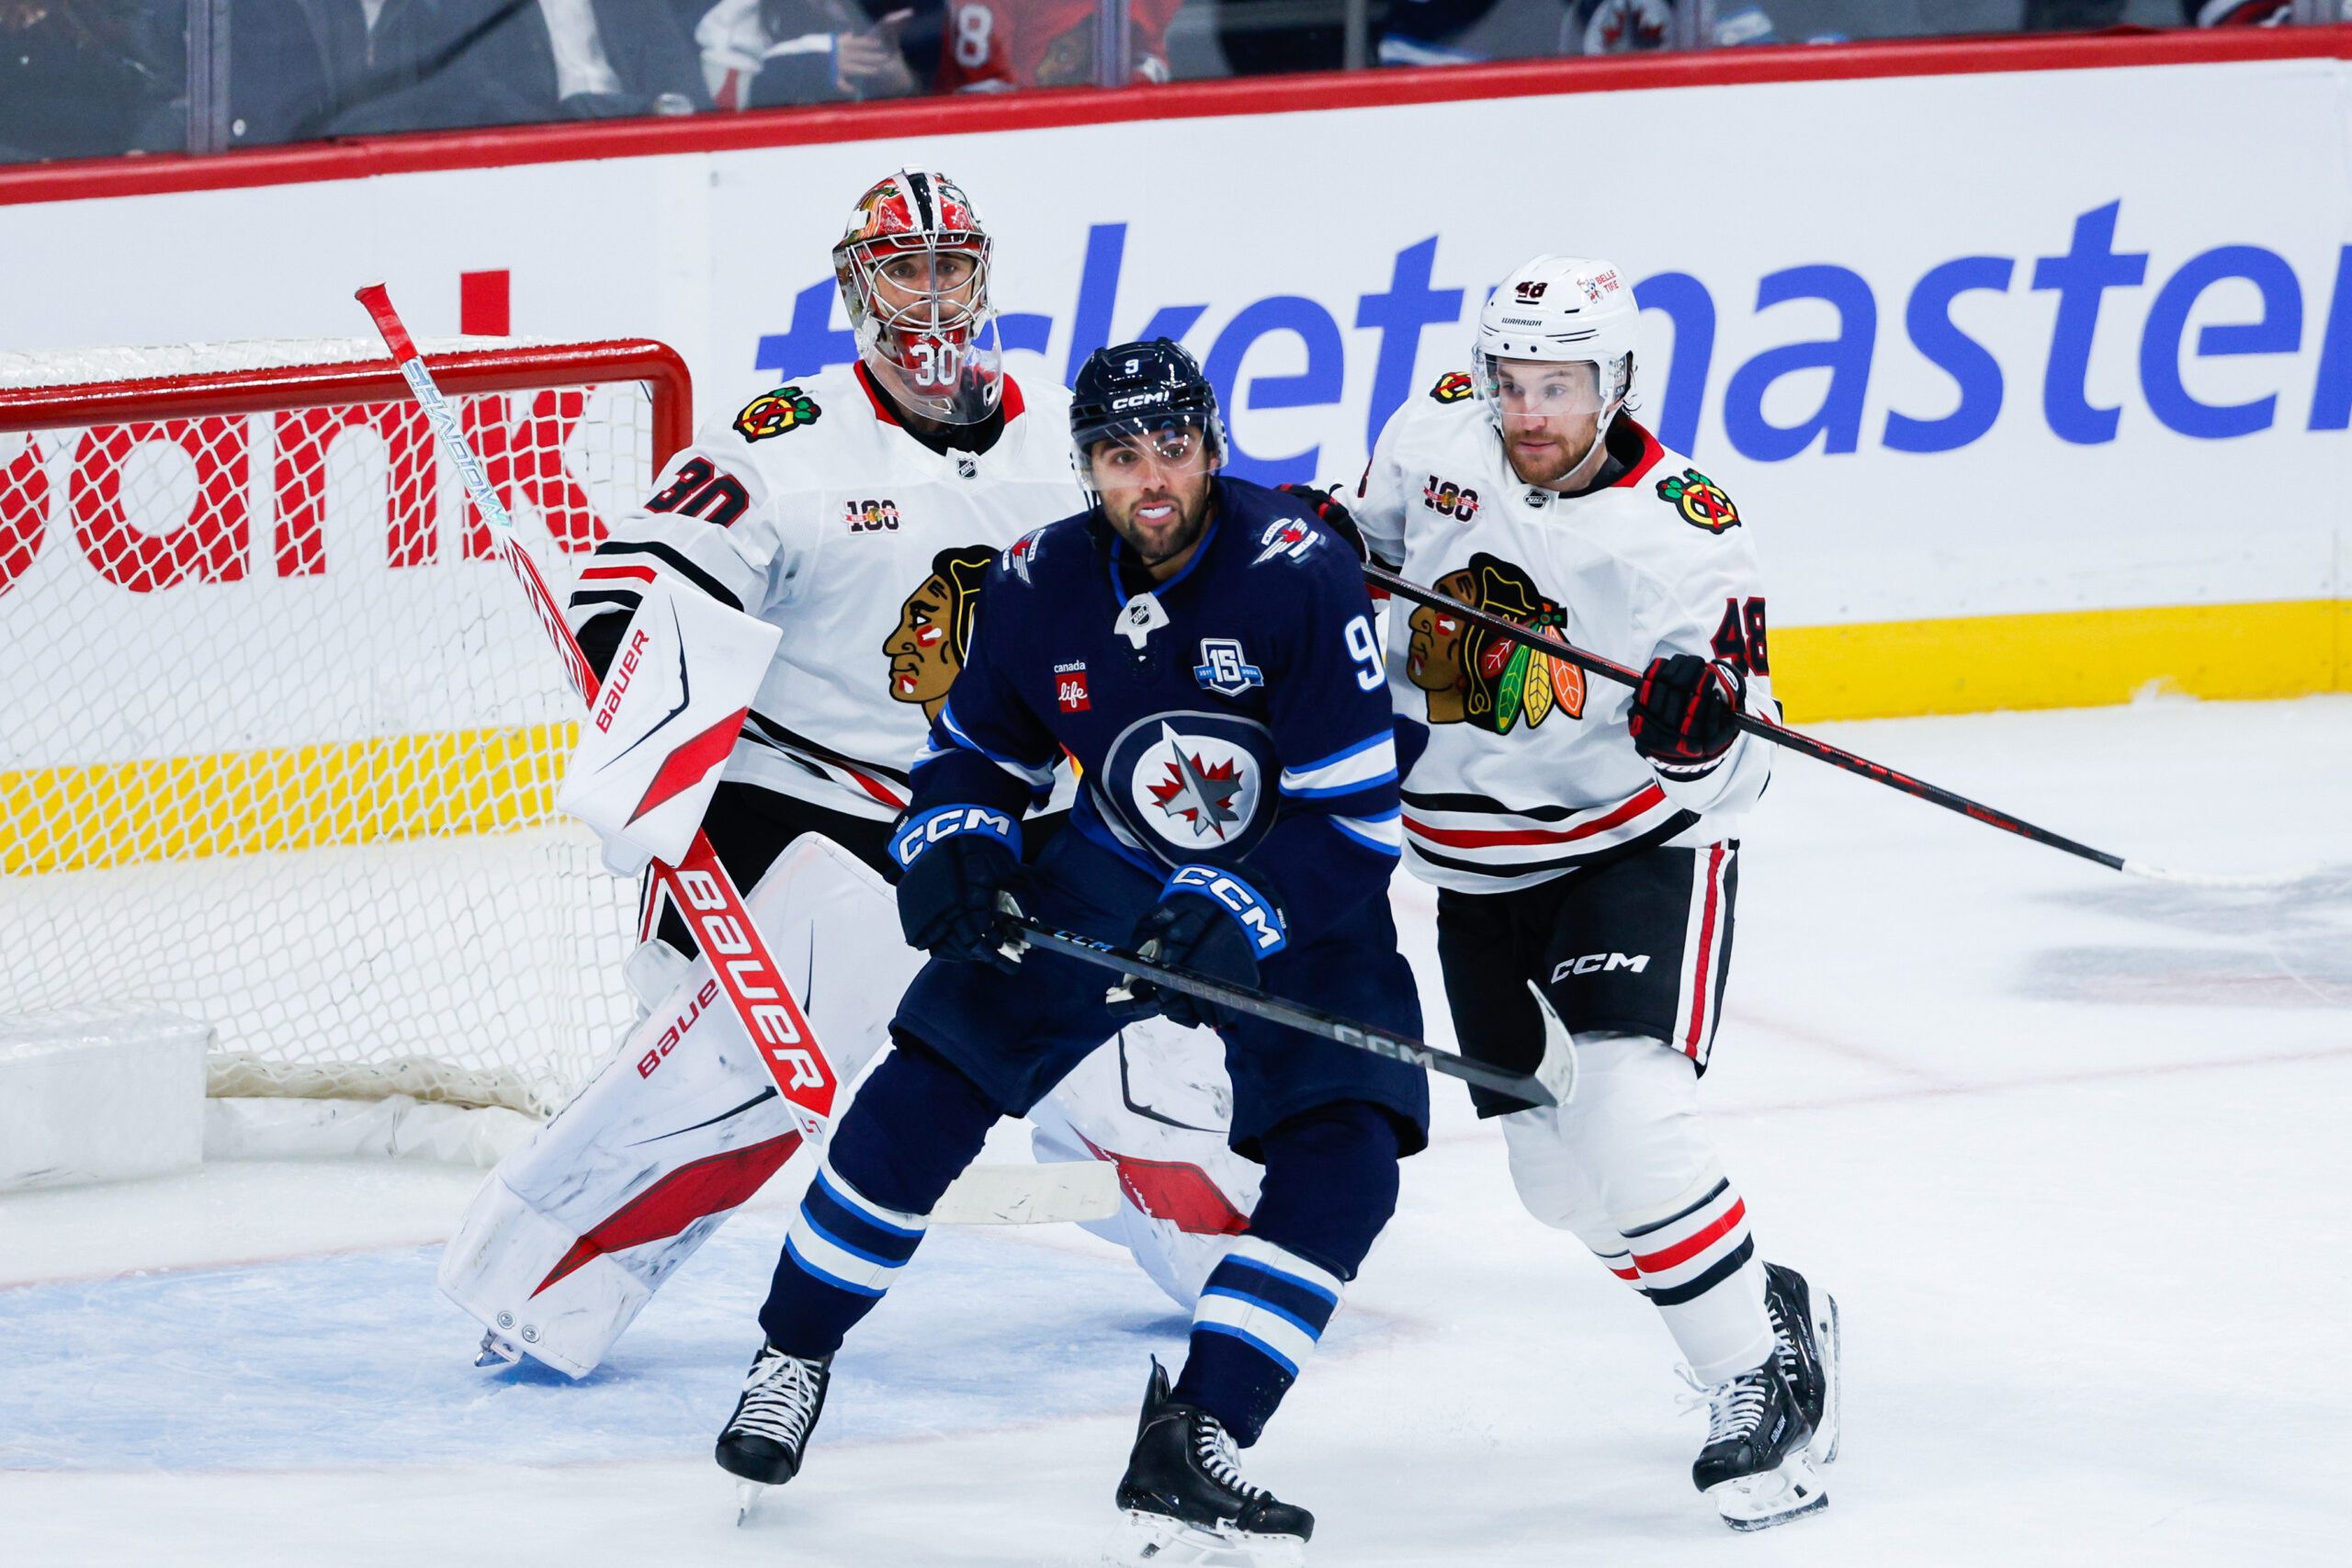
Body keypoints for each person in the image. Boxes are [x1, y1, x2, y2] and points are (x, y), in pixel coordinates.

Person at [438, 171, 1258, 1382]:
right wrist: (652, 707)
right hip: (822, 810)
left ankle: (1215, 1243)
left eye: (952, 268)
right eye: (905, 270)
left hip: (1022, 814)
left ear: (983, 279)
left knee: (1151, 1057)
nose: (932, 297)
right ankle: (535, 1282)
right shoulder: (782, 442)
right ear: (855, 288)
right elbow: (628, 593)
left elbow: (1193, 551)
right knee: (745, 1072)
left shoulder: (1060, 433)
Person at [714, 339, 1429, 1566]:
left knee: (1349, 1159)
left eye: (1170, 449)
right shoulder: (1040, 579)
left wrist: (1246, 909)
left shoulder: (1297, 573)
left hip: (1291, 888)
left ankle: (1197, 1433)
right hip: (1114, 870)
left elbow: (1356, 817)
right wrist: (953, 842)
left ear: (1210, 446)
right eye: (1117, 454)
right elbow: (980, 752)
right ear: (1085, 464)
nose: (1148, 478)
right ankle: (793, 1352)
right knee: (929, 1083)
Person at [1326, 254, 1842, 1530]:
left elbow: (1744, 762)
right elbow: (1362, 558)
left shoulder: (1687, 528)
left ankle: (1757, 1389)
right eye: (1513, 380)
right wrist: (1318, 546)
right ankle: (1758, 1302)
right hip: (1467, 866)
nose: (1529, 412)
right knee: (1555, 1184)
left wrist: (1700, 734)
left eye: (1559, 384)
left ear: (1616, 381)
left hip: (1633, 850)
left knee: (1629, 1125)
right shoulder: (1431, 431)